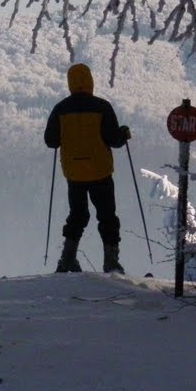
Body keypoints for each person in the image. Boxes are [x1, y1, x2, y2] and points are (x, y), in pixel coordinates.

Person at [43, 62, 131, 274]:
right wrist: (124, 134)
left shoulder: (60, 109)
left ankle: (67, 259)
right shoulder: (102, 107)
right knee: (107, 215)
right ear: (90, 81)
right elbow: (113, 139)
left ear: (70, 83)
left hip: (74, 173)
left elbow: (51, 141)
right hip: (100, 171)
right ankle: (111, 262)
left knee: (78, 215)